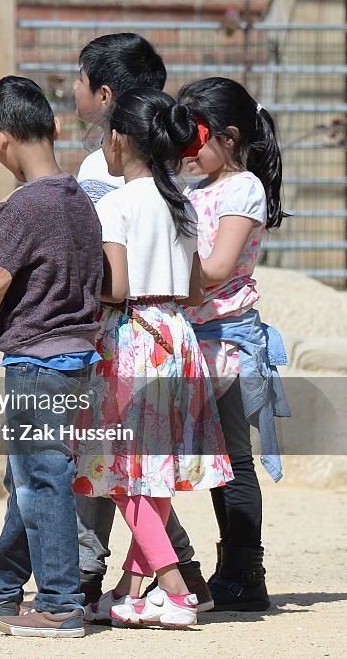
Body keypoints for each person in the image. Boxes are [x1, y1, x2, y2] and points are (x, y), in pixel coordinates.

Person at [71, 88, 233, 629]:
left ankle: (176, 591)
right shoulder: (181, 202)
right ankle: (129, 589)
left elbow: (115, 286)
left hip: (132, 337)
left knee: (122, 473)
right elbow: (193, 290)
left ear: (118, 139)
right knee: (154, 472)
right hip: (176, 334)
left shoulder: (112, 204)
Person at [0, 76, 103, 639]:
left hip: (35, 363)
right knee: (29, 474)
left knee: (41, 480)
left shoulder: (22, 207)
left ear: (0, 140)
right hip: (81, 358)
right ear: (55, 127)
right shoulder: (82, 200)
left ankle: (60, 604)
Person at [170, 77, 290, 611]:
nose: (186, 149)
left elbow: (218, 268)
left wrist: (160, 272)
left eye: (194, 136)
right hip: (193, 339)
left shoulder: (244, 188)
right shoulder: (193, 187)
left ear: (229, 135)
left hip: (229, 342)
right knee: (206, 460)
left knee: (233, 462)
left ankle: (244, 572)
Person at [73, 33, 166, 204]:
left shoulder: (100, 169)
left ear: (104, 95)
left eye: (81, 80)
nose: (75, 86)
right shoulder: (162, 163)